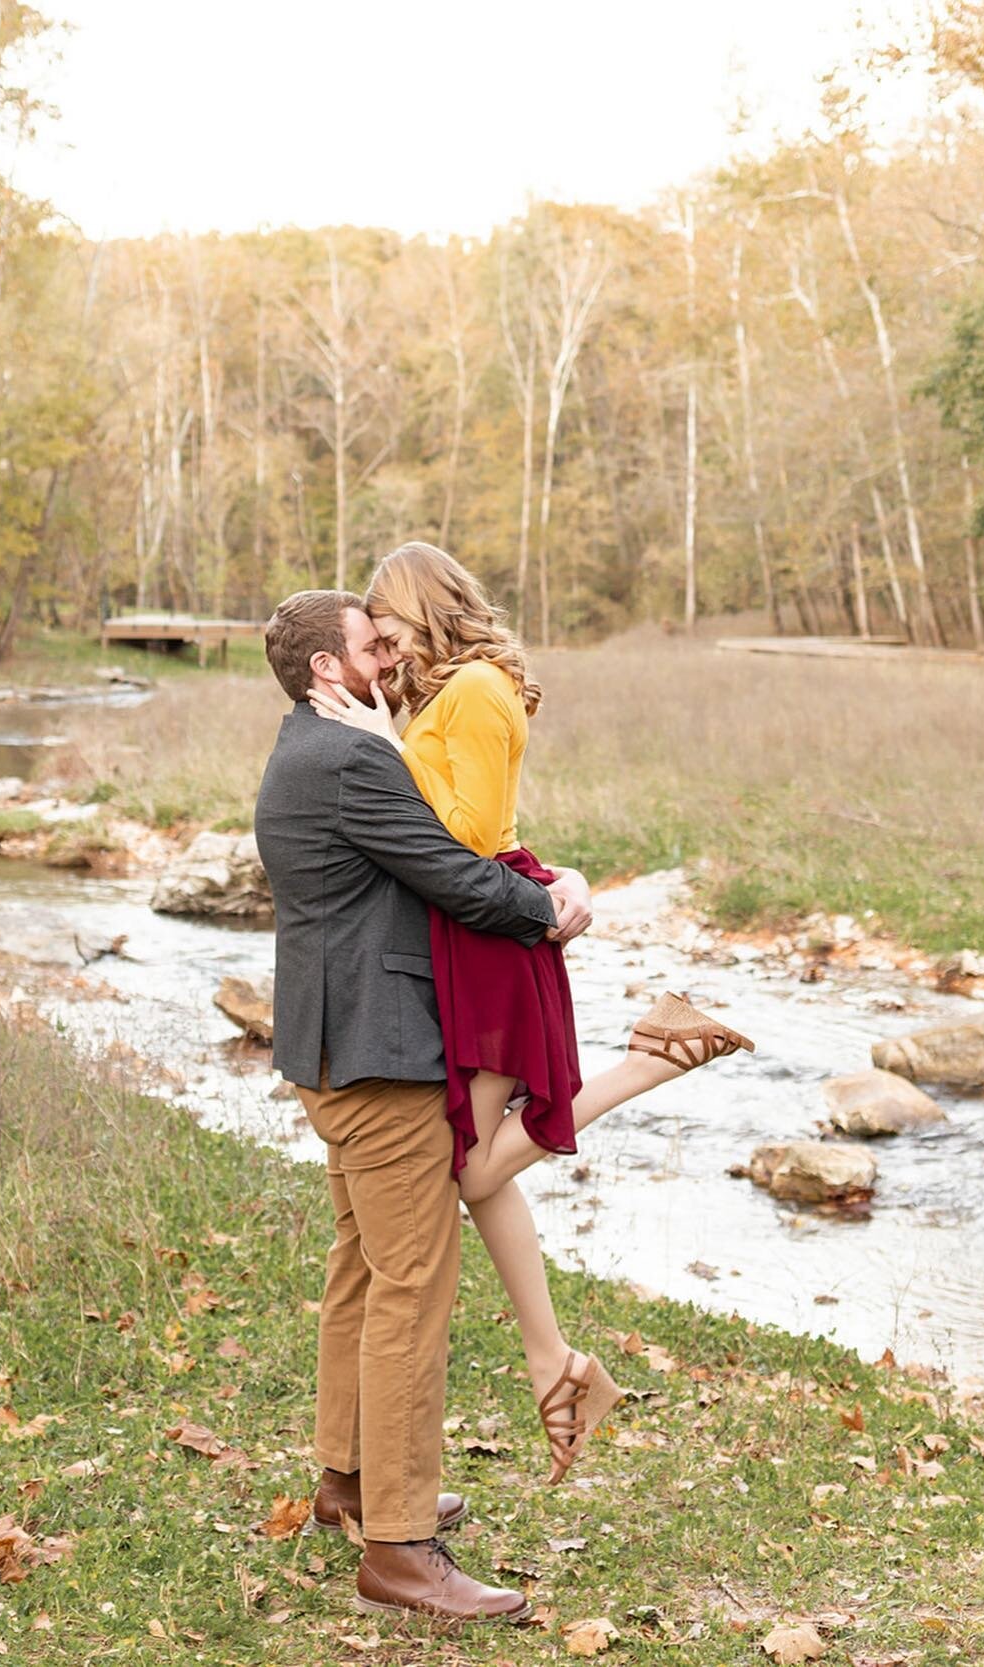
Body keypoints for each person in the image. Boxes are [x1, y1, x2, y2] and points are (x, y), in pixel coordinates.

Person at [307, 542, 754, 1485]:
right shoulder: (450, 689)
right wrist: (392, 729)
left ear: (421, 605)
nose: (380, 638)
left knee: (466, 1172)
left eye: (385, 619)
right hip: (471, 928)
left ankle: (649, 1060)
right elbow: (481, 819)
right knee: (472, 1173)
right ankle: (554, 1364)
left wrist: (384, 755)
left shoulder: (473, 687)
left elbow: (468, 832)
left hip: (490, 933)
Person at [253, 589, 595, 1624]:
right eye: (370, 646)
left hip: (331, 1047)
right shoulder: (355, 758)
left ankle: (350, 1481)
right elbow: (452, 872)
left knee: (362, 1268)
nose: (388, 659)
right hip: (381, 1052)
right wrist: (552, 908)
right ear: (327, 668)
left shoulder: (305, 746)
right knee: (411, 1285)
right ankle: (400, 1548)